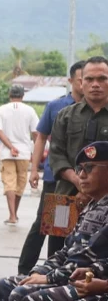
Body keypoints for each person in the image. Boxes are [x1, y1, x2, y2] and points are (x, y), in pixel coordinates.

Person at [0, 141, 108, 301]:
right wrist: (41, 271)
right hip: (64, 196)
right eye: (79, 169)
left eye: (88, 168)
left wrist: (50, 277)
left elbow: (86, 258)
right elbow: (67, 250)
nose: (81, 174)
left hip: (91, 278)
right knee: (4, 286)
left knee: (27, 296)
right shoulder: (64, 115)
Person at [17, 61, 85, 275]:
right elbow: (40, 138)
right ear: (71, 81)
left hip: (89, 180)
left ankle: (65, 270)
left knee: (78, 226)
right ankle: (28, 269)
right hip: (57, 177)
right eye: (83, 79)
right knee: (52, 225)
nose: (87, 84)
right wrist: (34, 168)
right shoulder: (57, 107)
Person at [49, 56, 108, 257]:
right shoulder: (65, 115)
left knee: (98, 252)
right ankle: (49, 284)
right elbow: (56, 154)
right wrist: (79, 181)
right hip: (65, 196)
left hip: (106, 201)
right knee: (57, 247)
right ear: (80, 83)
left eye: (102, 79)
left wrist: (93, 186)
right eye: (89, 79)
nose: (95, 85)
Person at [0, 84, 39, 225]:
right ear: (23, 96)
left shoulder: (2, 109)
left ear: (9, 95)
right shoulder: (30, 110)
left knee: (9, 183)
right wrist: (37, 150)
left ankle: (12, 215)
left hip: (7, 153)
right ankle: (15, 214)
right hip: (24, 153)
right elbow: (36, 133)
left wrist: (10, 146)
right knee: (20, 184)